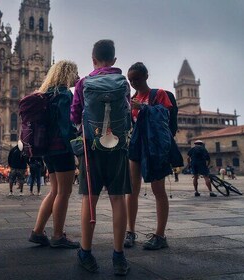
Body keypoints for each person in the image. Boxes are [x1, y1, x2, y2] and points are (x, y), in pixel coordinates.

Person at [71, 40, 131, 275]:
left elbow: (74, 116)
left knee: (89, 199)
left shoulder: (83, 83)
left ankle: (86, 252)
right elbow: (127, 112)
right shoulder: (123, 83)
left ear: (93, 60)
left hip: (91, 149)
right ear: (114, 60)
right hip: (117, 148)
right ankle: (118, 256)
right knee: (118, 199)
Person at [28, 60, 80, 250]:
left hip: (47, 150)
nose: (78, 77)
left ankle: (38, 231)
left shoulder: (45, 94)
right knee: (64, 193)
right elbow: (67, 127)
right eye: (75, 73)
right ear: (67, 74)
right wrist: (75, 146)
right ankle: (58, 235)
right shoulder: (65, 94)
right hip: (61, 149)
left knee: (55, 191)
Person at [125, 62, 174, 251]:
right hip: (136, 144)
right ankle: (130, 231)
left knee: (158, 189)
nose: (133, 83)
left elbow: (164, 116)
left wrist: (144, 108)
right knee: (132, 190)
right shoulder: (132, 98)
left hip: (154, 145)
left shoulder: (158, 94)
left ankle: (160, 235)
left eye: (136, 79)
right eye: (130, 80)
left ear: (146, 75)